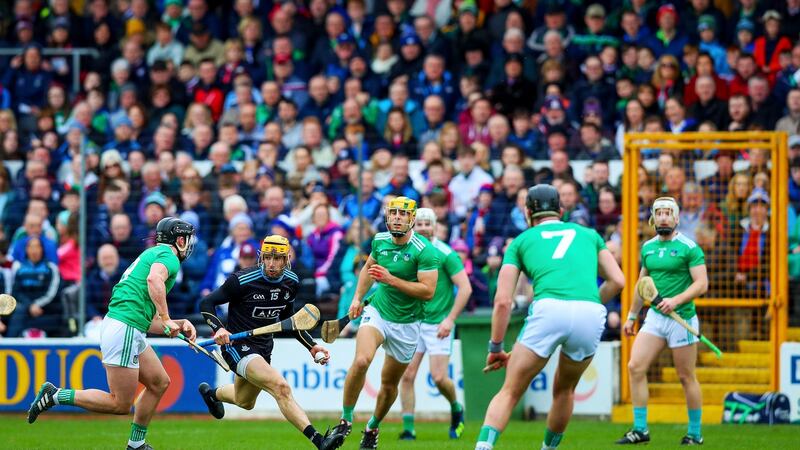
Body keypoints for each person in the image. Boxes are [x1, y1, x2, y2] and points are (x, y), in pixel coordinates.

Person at [27, 217, 199, 450]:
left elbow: (147, 321)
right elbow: (154, 279)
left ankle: (136, 444)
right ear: (178, 240)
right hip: (124, 329)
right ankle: (55, 395)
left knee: (159, 382)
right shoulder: (168, 257)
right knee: (119, 403)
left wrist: (178, 324)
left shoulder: (153, 254)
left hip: (127, 326)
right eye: (187, 240)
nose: (188, 245)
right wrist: (167, 319)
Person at [475, 184, 625, 450]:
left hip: (548, 309)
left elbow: (502, 302)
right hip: (590, 313)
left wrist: (496, 347)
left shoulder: (521, 241)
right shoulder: (590, 234)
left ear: (526, 212)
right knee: (565, 390)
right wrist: (588, 304)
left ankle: (483, 448)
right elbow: (618, 280)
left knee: (510, 391)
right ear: (562, 211)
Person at [197, 235, 344, 450]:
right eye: (267, 257)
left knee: (244, 401)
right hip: (238, 347)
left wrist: (312, 345)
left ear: (287, 259)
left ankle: (212, 394)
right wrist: (218, 328)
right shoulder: (241, 281)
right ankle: (319, 441)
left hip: (264, 347)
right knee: (281, 387)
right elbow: (207, 302)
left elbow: (290, 321)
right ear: (261, 257)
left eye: (277, 258)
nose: (272, 264)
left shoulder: (290, 282)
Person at [331, 197, 440, 449]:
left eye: (403, 214)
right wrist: (357, 298)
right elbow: (369, 268)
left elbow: (427, 291)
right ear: (387, 217)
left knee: (389, 384)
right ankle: (346, 419)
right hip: (378, 311)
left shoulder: (424, 250)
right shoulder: (379, 241)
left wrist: (391, 280)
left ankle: (372, 427)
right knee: (361, 361)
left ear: (412, 219)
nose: (398, 218)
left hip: (408, 323)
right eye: (394, 213)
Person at [617, 197, 708, 446]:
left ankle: (694, 433)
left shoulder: (689, 247)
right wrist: (632, 316)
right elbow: (642, 285)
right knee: (635, 366)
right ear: (653, 218)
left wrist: (676, 300)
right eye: (660, 213)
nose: (664, 217)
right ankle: (640, 429)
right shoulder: (647, 248)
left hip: (682, 318)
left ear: (677, 218)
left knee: (685, 376)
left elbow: (702, 284)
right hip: (656, 317)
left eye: (669, 213)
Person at [399, 208, 472, 440]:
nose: (422, 228)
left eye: (426, 224)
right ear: (412, 225)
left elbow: (466, 288)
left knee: (439, 378)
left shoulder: (446, 253)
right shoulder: (408, 251)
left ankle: (456, 408)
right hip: (414, 321)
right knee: (407, 375)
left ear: (434, 226)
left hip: (438, 324)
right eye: (418, 224)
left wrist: (450, 320)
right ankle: (409, 429)